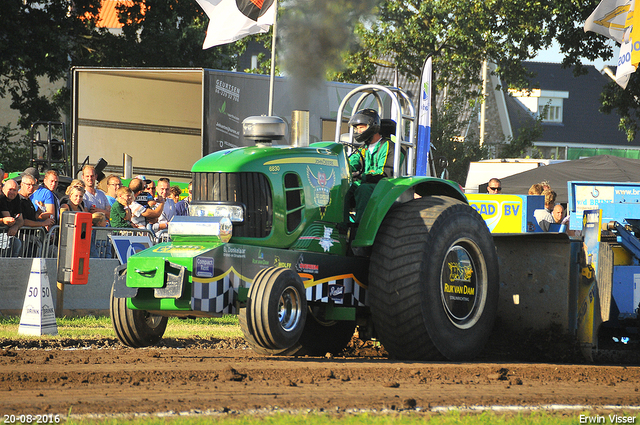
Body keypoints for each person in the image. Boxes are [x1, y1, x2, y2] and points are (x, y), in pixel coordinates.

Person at [344, 109, 404, 224]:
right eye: (356, 128)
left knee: (363, 189)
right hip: (364, 183)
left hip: (383, 186)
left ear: (373, 126)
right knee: (342, 190)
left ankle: (360, 228)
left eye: (361, 127)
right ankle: (340, 228)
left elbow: (384, 174)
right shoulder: (362, 148)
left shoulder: (388, 146)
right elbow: (352, 162)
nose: (358, 131)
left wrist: (361, 176)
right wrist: (345, 168)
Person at [0, 179, 24, 256]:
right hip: (2, 234)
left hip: (5, 234)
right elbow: (7, 218)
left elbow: (20, 220)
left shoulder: (16, 199)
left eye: (15, 190)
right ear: (3, 189)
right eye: (10, 189)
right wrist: (3, 220)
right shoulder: (1, 198)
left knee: (16, 243)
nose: (12, 192)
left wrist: (16, 226)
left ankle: (10, 267)